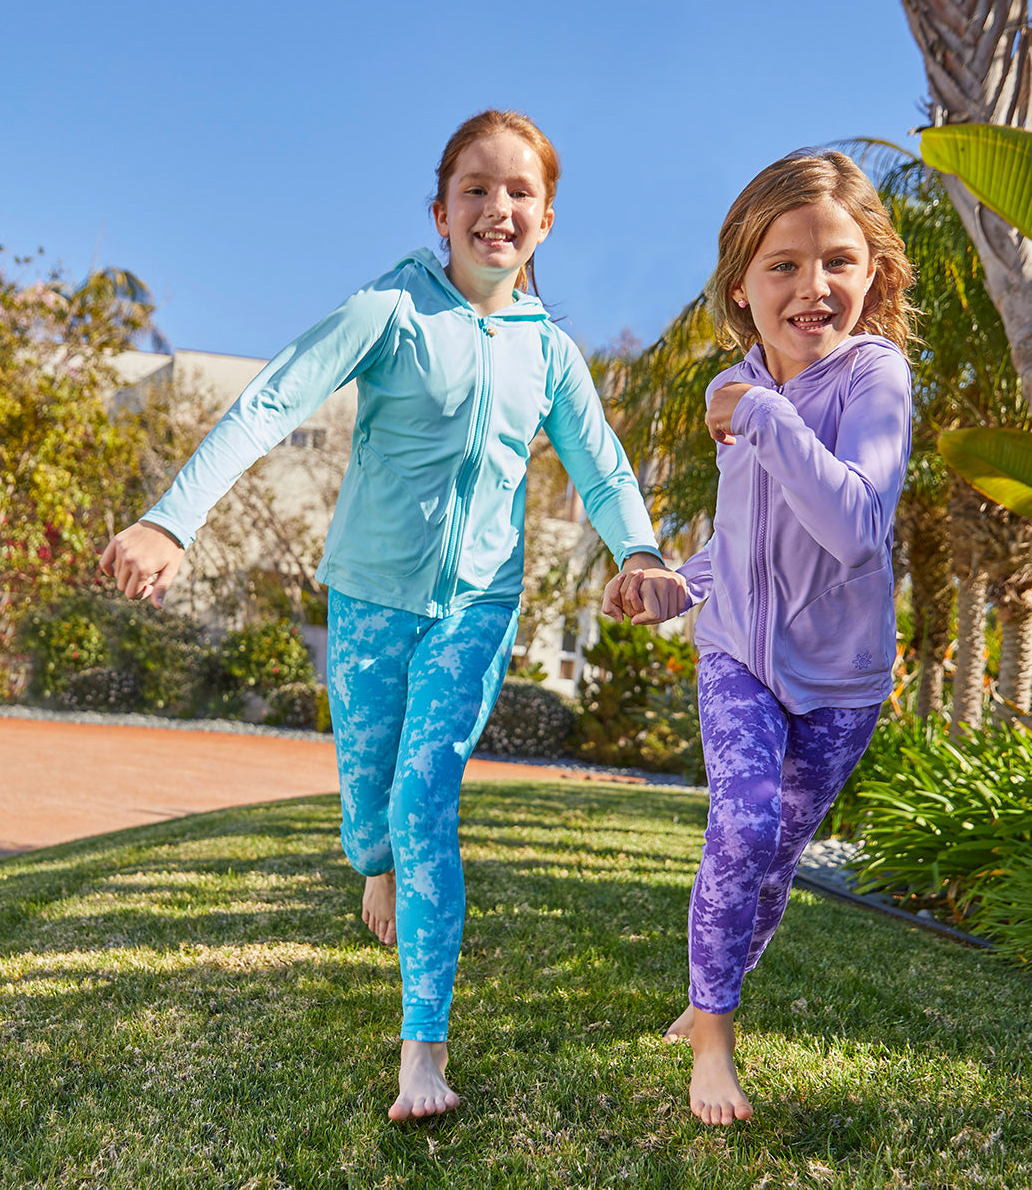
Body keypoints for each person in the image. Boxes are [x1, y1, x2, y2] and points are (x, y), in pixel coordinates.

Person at [101, 109, 688, 1122]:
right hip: (369, 597)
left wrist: (638, 551)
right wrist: (171, 520)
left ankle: (424, 1048)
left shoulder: (549, 354)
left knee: (423, 800)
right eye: (475, 188)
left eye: (518, 192)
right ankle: (372, 863)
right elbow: (270, 401)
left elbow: (602, 469)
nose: (496, 207)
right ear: (441, 210)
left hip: (477, 605)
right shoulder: (390, 309)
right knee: (367, 805)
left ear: (545, 220)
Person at [605, 148, 915, 1126]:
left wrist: (764, 415)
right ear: (740, 285)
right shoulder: (736, 389)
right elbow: (743, 540)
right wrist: (677, 586)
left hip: (842, 680)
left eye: (837, 261)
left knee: (774, 857)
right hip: (738, 653)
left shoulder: (874, 377)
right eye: (783, 264)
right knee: (739, 827)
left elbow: (854, 526)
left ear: (872, 273)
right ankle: (712, 1035)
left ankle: (709, 992)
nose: (812, 285)